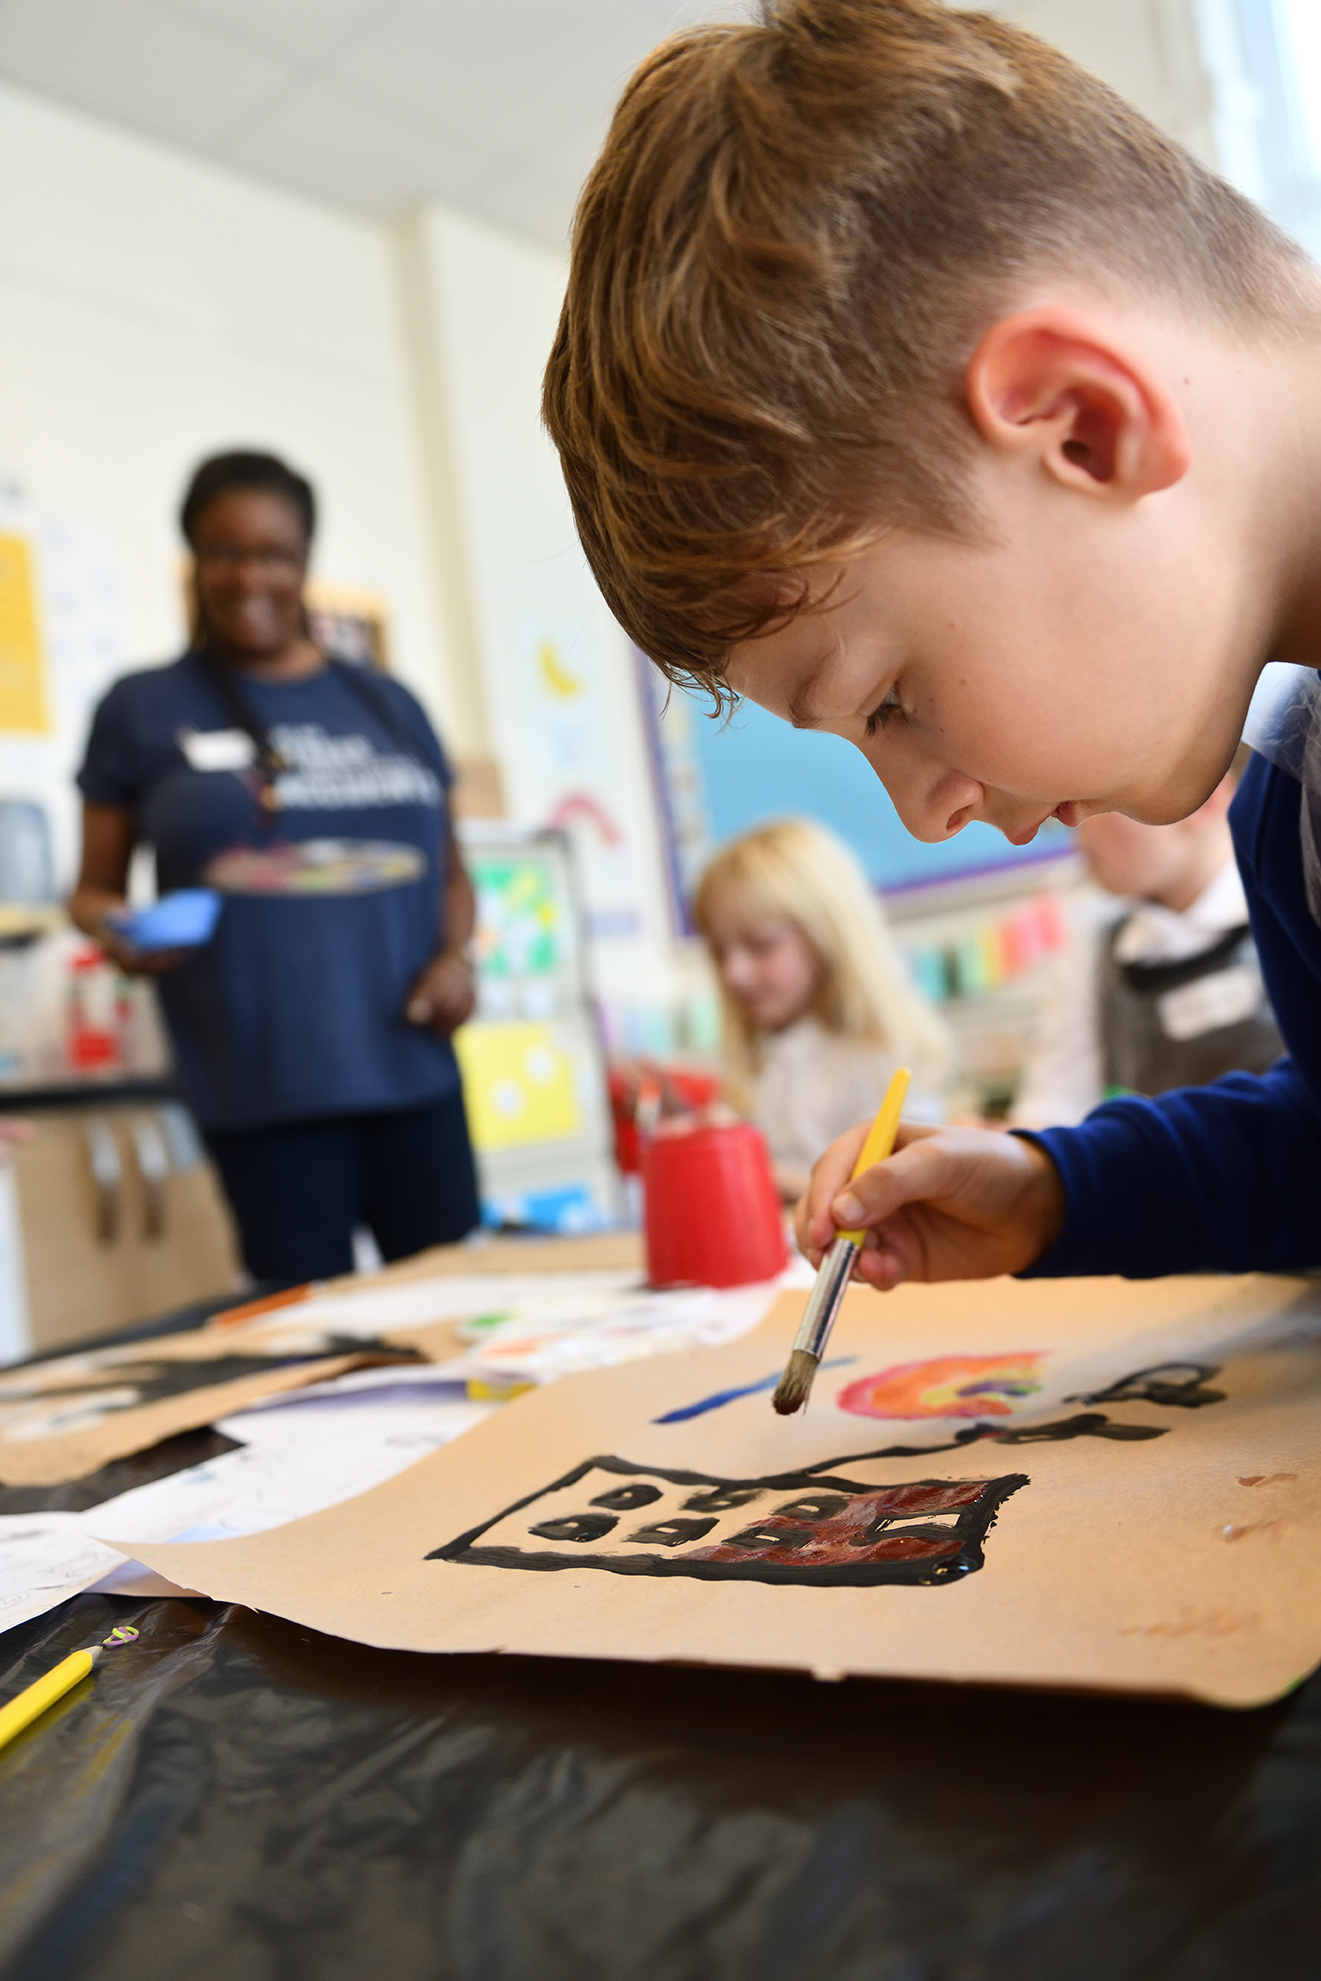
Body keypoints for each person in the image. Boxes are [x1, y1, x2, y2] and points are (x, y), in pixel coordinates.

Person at [542, 0, 1321, 1289]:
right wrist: (1063, 1192)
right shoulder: (1288, 801)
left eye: (889, 699)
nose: (921, 813)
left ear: (1080, 427)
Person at [71, 450, 480, 1284]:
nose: (250, 574)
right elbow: (91, 889)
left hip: (413, 1072)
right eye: (226, 551)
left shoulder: (389, 704)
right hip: (264, 1090)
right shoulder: (142, 708)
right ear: (193, 559)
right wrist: (118, 931)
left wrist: (455, 959)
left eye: (275, 553)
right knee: (312, 1355)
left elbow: (449, 872)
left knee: (459, 1322)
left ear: (305, 564)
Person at [1011, 754, 1282, 1127]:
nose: (1075, 834)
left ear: (1204, 800)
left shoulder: (1291, 904)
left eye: (1091, 805)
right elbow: (1052, 1111)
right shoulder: (1092, 950)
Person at [693, 818, 949, 1197]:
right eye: (718, 952)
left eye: (760, 945)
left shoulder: (880, 1056)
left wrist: (749, 1167)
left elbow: (885, 1192)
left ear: (827, 935)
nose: (734, 973)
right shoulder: (757, 1060)